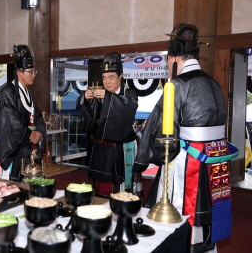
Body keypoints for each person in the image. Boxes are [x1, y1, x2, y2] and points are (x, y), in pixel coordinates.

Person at [133, 23, 239, 253]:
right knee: (208, 203)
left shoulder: (178, 84)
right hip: (216, 159)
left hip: (188, 159)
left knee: (179, 209)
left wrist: (143, 160)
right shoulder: (214, 83)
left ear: (173, 58)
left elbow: (158, 124)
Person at [76, 52, 138, 197]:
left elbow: (129, 108)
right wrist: (84, 99)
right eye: (104, 78)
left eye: (111, 77)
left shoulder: (129, 94)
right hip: (102, 147)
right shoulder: (101, 95)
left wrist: (109, 97)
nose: (107, 82)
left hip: (121, 146)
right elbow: (91, 118)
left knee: (122, 186)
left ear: (120, 78)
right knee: (101, 186)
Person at [0, 44, 46, 181]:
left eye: (35, 71)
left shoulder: (29, 93)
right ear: (19, 73)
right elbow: (11, 120)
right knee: (13, 186)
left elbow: (39, 117)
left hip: (30, 144)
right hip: (16, 148)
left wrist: (39, 132)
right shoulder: (7, 92)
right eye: (31, 71)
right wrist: (30, 134)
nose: (34, 75)